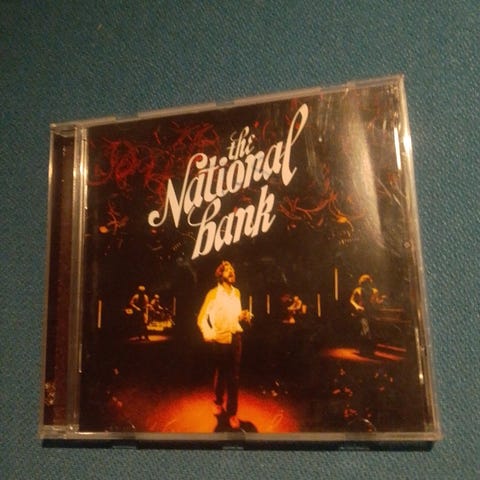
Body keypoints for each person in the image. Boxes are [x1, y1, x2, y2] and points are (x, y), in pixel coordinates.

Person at [197, 261, 252, 429]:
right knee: (221, 373)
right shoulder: (213, 294)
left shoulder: (237, 293)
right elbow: (201, 318)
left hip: (236, 338)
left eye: (232, 270)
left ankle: (232, 413)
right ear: (220, 275)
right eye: (227, 270)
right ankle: (218, 402)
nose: (231, 272)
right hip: (219, 339)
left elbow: (235, 316)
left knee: (234, 377)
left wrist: (243, 316)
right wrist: (209, 334)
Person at [349, 274, 385, 355]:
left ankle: (368, 350)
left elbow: (376, 301)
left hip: (371, 313)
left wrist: (381, 301)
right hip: (362, 313)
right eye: (364, 284)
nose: (365, 285)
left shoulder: (375, 291)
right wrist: (357, 306)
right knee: (366, 330)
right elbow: (351, 300)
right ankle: (364, 349)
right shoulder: (357, 290)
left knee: (370, 331)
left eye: (367, 283)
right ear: (361, 283)